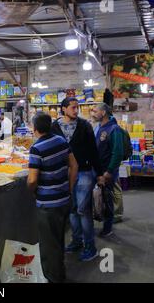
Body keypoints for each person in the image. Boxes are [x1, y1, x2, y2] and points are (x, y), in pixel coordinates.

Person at [27, 112, 78, 283]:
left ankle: (53, 278)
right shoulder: (61, 141)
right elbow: (74, 166)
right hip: (64, 200)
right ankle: (60, 273)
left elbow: (32, 179)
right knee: (59, 240)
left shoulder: (37, 148)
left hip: (48, 205)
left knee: (49, 246)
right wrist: (69, 188)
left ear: (35, 129)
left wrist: (32, 191)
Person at [51, 97, 103, 261]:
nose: (76, 110)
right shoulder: (54, 127)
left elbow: (93, 150)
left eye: (77, 107)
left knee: (83, 210)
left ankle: (90, 246)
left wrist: (99, 173)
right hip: (65, 173)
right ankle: (76, 241)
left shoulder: (84, 125)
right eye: (73, 107)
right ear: (64, 109)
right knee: (72, 209)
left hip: (84, 172)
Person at [91, 103, 124, 237]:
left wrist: (109, 172)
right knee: (101, 198)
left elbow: (118, 153)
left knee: (108, 199)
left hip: (107, 172)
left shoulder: (114, 129)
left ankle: (108, 228)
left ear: (103, 112)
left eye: (95, 111)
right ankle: (102, 222)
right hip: (99, 170)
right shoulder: (99, 127)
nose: (93, 113)